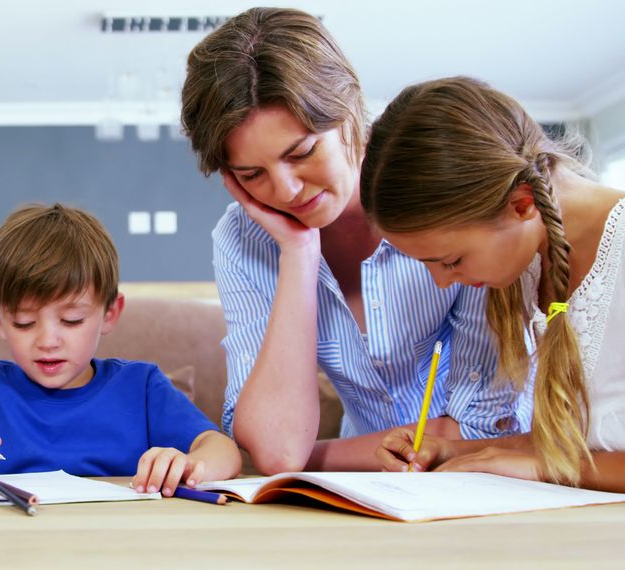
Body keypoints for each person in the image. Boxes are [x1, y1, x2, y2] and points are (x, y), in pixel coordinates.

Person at [179, 7, 531, 474]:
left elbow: (486, 427)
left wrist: (320, 457)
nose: (284, 191)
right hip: (365, 486)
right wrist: (299, 252)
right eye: (252, 174)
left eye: (302, 152)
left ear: (349, 112)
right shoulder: (243, 239)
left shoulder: (439, 189)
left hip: (491, 474)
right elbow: (277, 451)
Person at [0, 204, 242, 494]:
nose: (48, 340)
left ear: (110, 314)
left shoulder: (140, 388)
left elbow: (224, 450)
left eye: (71, 321)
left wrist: (191, 466)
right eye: (23, 322)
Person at [363, 76, 625, 492]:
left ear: (521, 204)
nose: (441, 282)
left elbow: (562, 460)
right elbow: (581, 441)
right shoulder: (532, 262)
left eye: (450, 261)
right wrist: (456, 451)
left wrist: (543, 468)